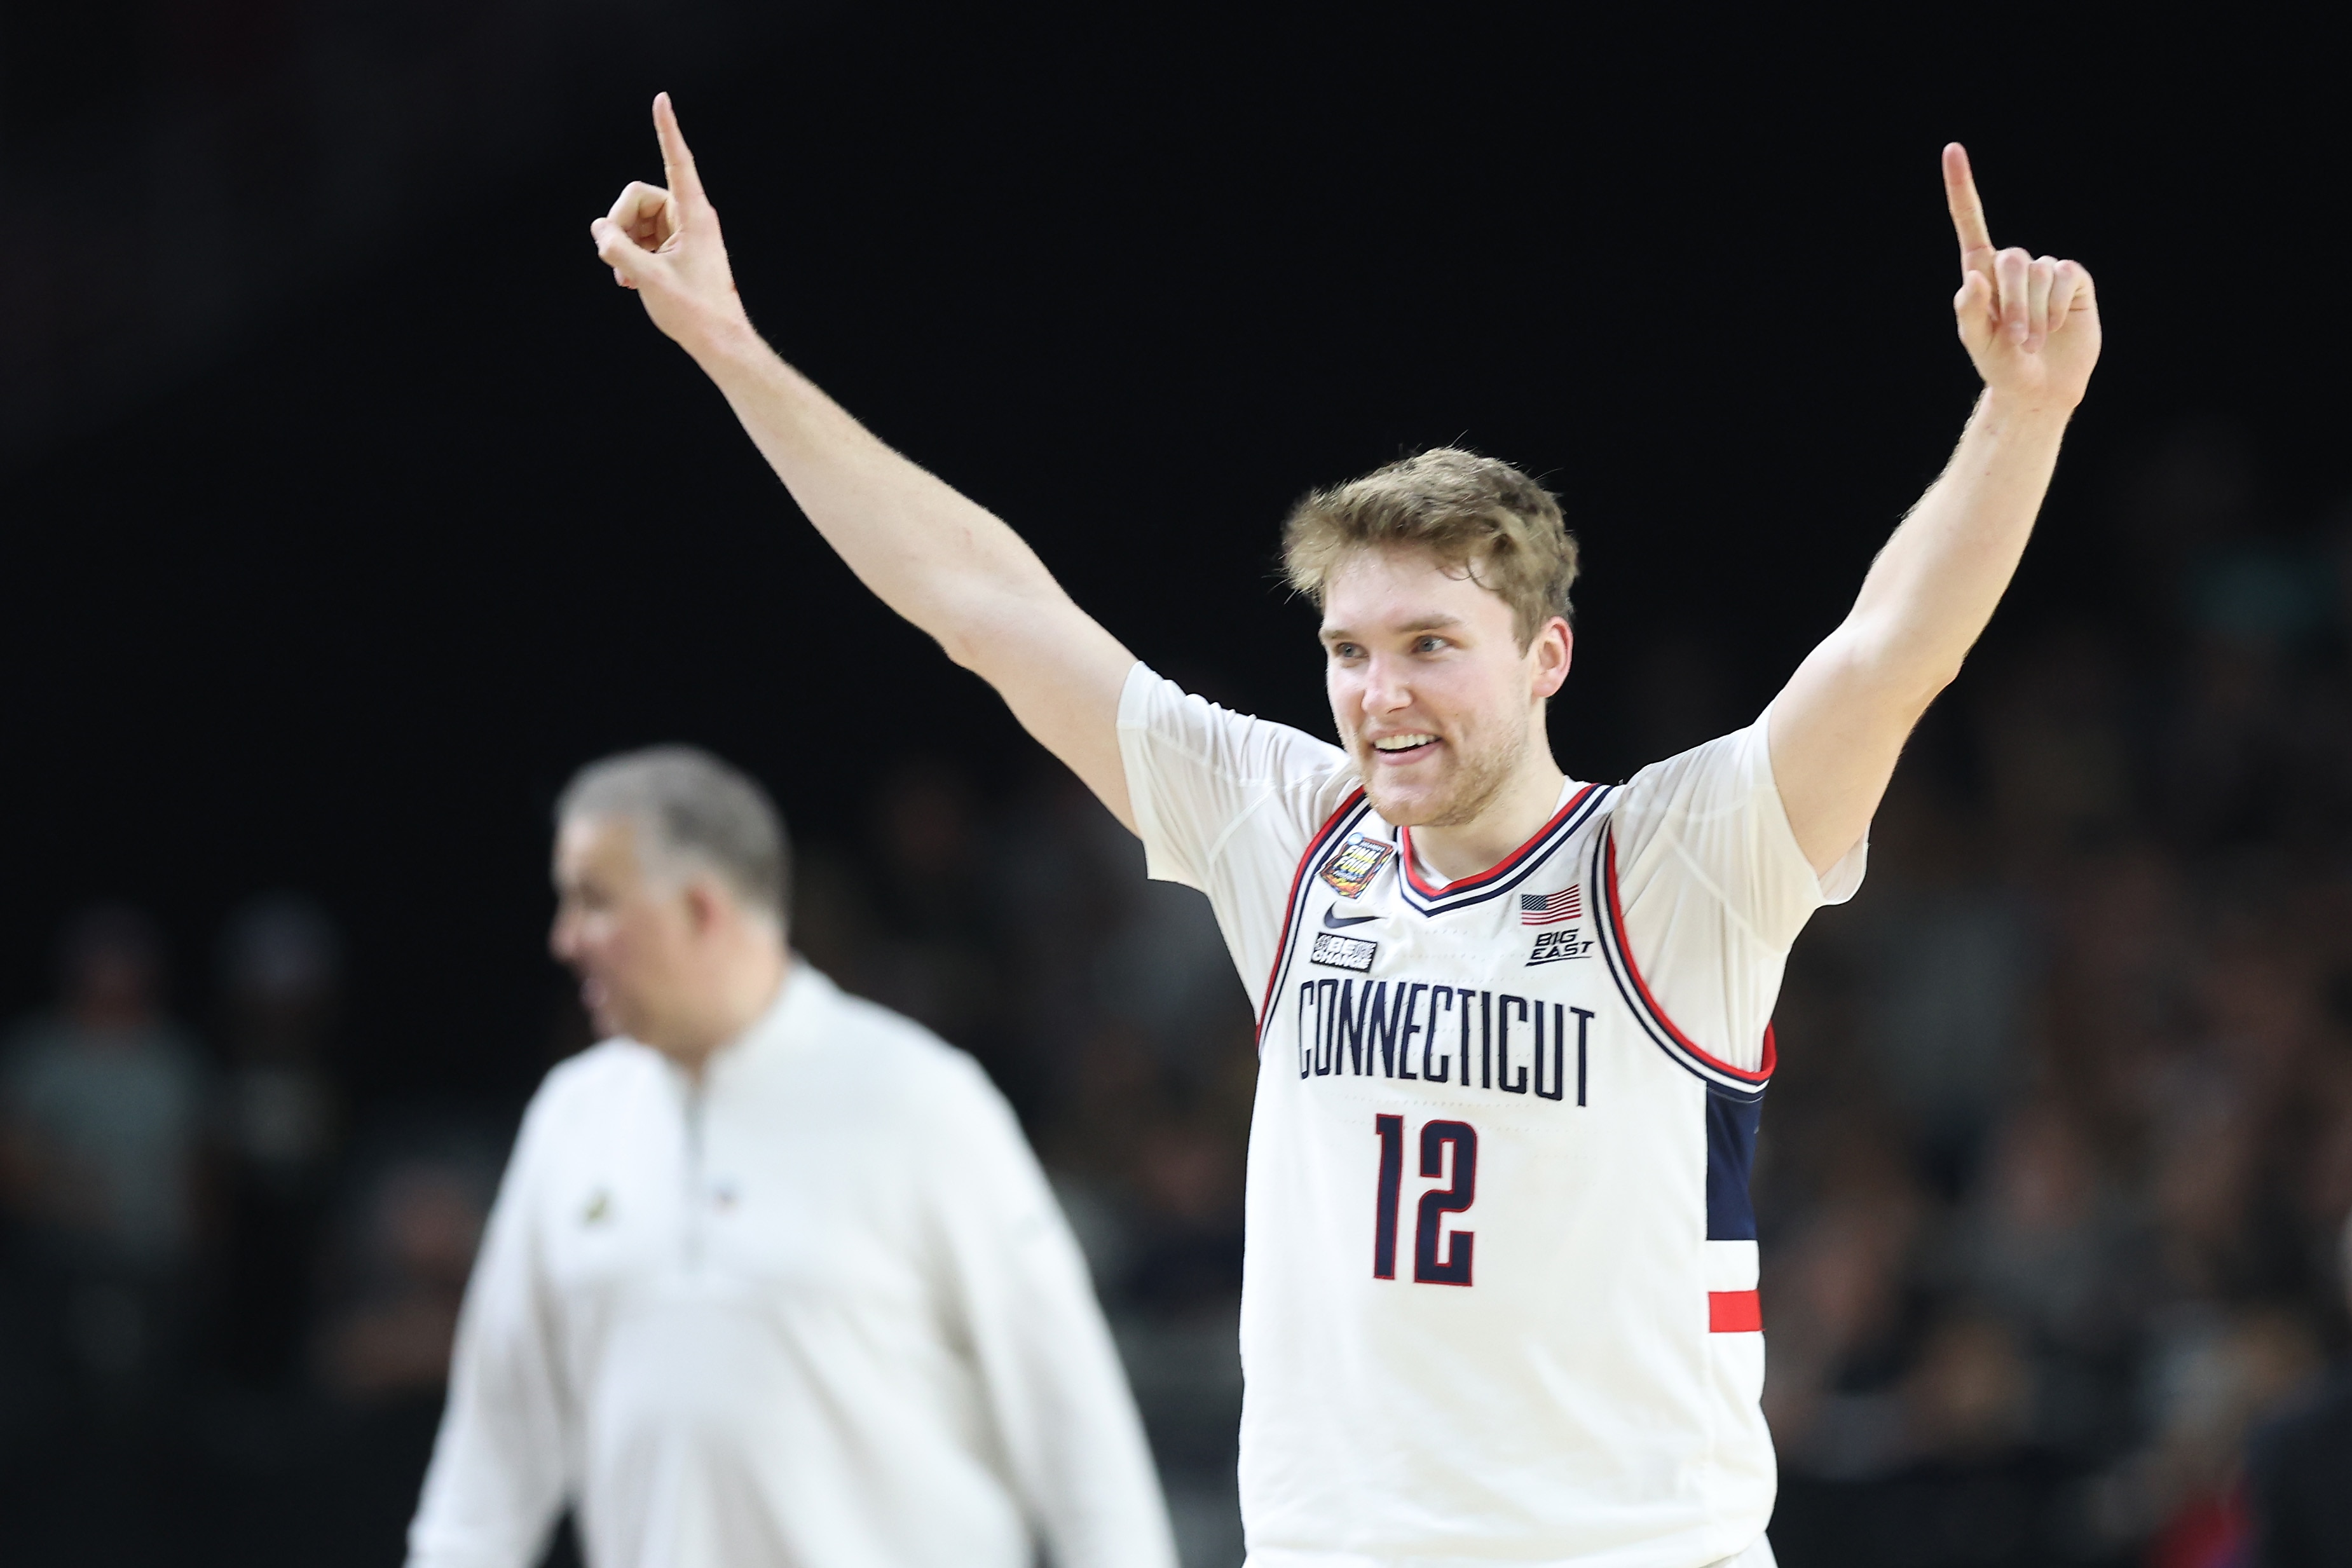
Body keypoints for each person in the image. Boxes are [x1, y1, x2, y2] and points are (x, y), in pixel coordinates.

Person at [587, 94, 2101, 1567]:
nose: (1378, 694)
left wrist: (2018, 416)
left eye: (1430, 644)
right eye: (1347, 649)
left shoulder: (1674, 857)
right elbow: (983, 607)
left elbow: (1890, 650)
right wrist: (729, 347)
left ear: (1544, 656)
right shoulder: (1292, 831)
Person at [406, 747, 1176, 1568]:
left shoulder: (920, 1101)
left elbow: (1076, 1433)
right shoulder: (572, 1118)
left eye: (594, 902)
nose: (565, 940)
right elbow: (488, 1471)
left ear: (701, 910)